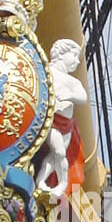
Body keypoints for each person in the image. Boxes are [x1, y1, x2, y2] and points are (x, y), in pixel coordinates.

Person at [36, 38, 87, 198]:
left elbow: (83, 97)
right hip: (48, 119)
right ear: (61, 54)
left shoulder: (73, 81)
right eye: (74, 56)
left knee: (56, 154)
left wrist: (70, 95)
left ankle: (44, 181)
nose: (77, 61)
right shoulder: (44, 72)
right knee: (58, 151)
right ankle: (59, 182)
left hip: (65, 124)